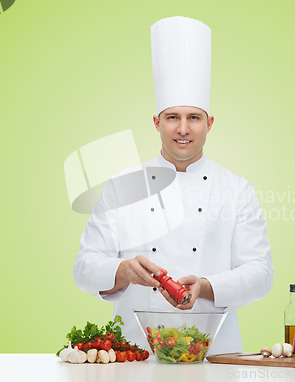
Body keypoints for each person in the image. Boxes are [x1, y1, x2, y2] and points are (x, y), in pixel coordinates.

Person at [73, 16, 273, 355]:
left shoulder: (237, 189)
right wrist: (122, 270)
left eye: (193, 117)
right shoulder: (123, 187)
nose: (183, 129)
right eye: (172, 117)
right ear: (156, 122)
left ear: (209, 123)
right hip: (134, 354)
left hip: (215, 355)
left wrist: (208, 286)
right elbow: (84, 267)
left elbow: (260, 273)